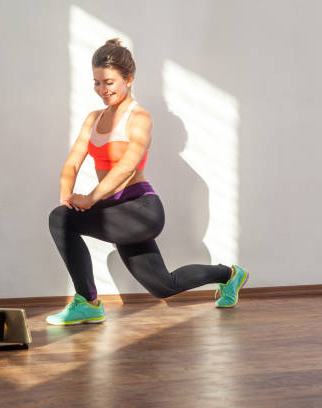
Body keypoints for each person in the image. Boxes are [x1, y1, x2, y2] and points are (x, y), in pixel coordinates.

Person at [46, 38, 249, 325]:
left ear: (128, 79)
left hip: (141, 210)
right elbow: (73, 162)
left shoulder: (139, 118)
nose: (102, 90)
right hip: (114, 211)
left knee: (61, 219)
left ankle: (88, 304)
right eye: (96, 83)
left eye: (109, 82)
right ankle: (229, 275)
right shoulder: (93, 119)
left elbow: (127, 167)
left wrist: (90, 198)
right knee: (163, 285)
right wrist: (66, 197)